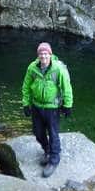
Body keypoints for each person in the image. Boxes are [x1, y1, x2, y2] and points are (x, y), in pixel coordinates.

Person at [21, 42, 73, 178]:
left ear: (50, 54)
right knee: (38, 132)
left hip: (52, 108)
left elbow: (66, 87)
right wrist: (26, 104)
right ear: (38, 55)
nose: (43, 56)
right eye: (41, 54)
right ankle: (47, 150)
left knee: (53, 133)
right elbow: (26, 86)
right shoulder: (32, 68)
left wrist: (68, 105)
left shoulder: (58, 69)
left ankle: (54, 160)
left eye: (46, 53)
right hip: (37, 106)